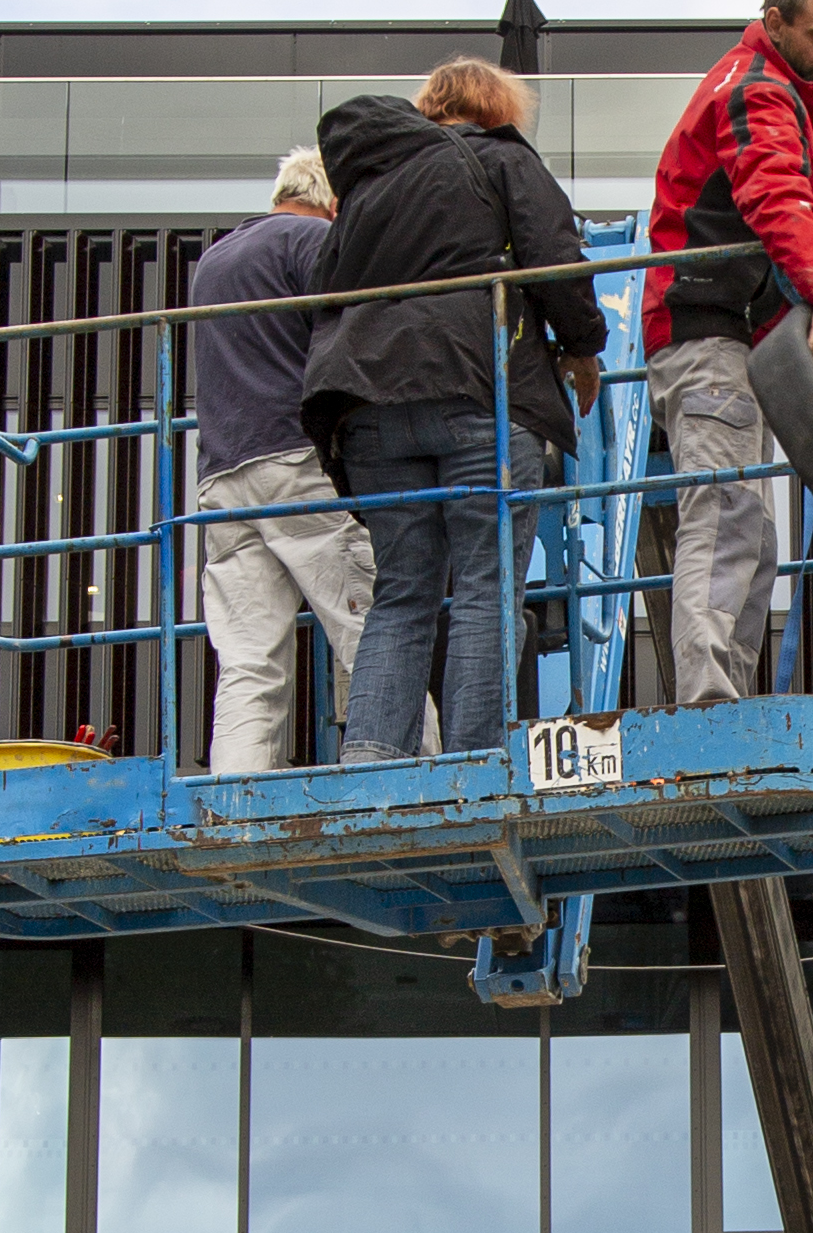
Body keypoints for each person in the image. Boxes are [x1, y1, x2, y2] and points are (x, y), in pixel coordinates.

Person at [303, 63, 604, 765]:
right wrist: (583, 347)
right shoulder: (499, 160)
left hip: (367, 405)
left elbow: (320, 296)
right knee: (485, 586)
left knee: (401, 590)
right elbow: (554, 258)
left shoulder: (367, 190)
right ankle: (474, 759)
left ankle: (371, 754)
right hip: (480, 390)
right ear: (497, 110)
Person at [642, 0, 813, 708]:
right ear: (775, 20)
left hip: (732, 337)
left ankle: (720, 691)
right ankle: (707, 699)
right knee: (727, 511)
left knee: (753, 533)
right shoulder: (755, 90)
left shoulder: (778, 89)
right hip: (708, 334)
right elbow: (776, 192)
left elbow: (804, 162)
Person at [184, 144, 376, 775]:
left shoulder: (213, 260)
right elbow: (352, 336)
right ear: (333, 200)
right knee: (368, 635)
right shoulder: (306, 241)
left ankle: (237, 800)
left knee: (246, 661)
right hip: (295, 464)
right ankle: (411, 780)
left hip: (221, 479)